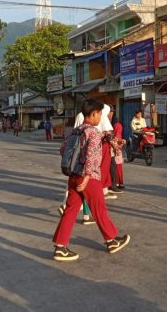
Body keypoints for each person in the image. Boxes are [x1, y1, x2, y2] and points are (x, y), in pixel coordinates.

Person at [52, 99, 131, 261]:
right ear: (94, 114)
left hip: (73, 176)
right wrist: (87, 178)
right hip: (88, 177)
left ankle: (60, 246)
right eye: (100, 114)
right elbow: (91, 158)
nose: (101, 117)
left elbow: (63, 150)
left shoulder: (76, 131)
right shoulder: (93, 132)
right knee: (99, 209)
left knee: (70, 210)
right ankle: (111, 240)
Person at [110, 113, 126, 193]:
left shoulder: (116, 125)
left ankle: (117, 182)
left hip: (115, 147)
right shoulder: (117, 125)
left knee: (116, 166)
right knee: (117, 166)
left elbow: (116, 137)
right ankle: (118, 182)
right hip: (116, 147)